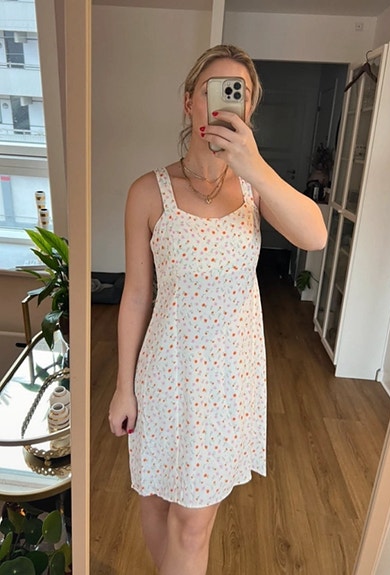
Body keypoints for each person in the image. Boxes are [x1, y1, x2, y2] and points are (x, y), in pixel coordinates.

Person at [108, 44, 327, 575]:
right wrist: (122, 386)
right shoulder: (148, 192)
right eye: (213, 91)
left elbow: (315, 235)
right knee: (156, 499)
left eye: (239, 94)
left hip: (229, 379)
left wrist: (254, 166)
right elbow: (135, 294)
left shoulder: (256, 190)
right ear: (190, 102)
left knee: (193, 522)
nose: (225, 103)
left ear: (249, 109)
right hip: (166, 372)